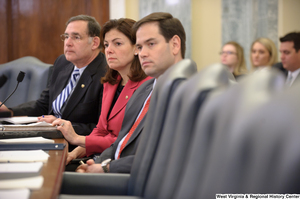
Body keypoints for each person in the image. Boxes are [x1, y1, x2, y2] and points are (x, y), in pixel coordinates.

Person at [75, 12, 186, 174]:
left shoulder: (184, 93)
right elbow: (122, 141)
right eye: (140, 47)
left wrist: (105, 167)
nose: (142, 53)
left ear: (175, 44)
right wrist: (98, 161)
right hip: (117, 168)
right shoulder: (146, 89)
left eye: (151, 44)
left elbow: (161, 157)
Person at [52, 18, 152, 169]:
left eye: (117, 43)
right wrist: (77, 152)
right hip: (100, 157)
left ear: (136, 48)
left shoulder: (147, 87)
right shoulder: (110, 82)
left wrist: (78, 139)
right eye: (106, 45)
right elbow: (100, 130)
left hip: (121, 165)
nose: (109, 50)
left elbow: (124, 141)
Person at [0, 15, 107, 151]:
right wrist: (9, 111)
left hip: (78, 149)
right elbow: (43, 105)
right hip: (49, 139)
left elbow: (101, 129)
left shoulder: (106, 75)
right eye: (66, 36)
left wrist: (60, 125)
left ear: (95, 42)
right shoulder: (62, 63)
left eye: (76, 37)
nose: (68, 42)